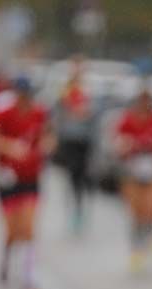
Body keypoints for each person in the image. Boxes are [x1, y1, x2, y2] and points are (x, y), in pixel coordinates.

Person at [0, 77, 55, 289]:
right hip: (7, 178)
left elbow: (49, 136)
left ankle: (29, 276)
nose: (26, 100)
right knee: (12, 230)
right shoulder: (3, 113)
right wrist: (9, 146)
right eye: (23, 96)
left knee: (29, 227)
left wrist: (46, 146)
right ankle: (6, 258)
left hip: (31, 178)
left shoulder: (40, 113)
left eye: (29, 96)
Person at [114, 85, 152, 271]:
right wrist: (127, 146)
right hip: (133, 169)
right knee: (136, 213)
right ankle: (136, 249)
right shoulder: (128, 120)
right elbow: (119, 143)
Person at [52, 57, 95, 234]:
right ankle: (73, 210)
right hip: (69, 139)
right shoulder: (66, 90)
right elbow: (60, 112)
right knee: (72, 175)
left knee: (83, 177)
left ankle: (81, 209)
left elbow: (91, 113)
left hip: (84, 140)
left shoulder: (88, 90)